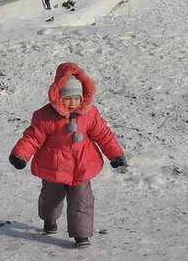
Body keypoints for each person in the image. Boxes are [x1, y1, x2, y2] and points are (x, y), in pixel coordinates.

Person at [9, 62, 126, 248]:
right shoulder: (45, 116)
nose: (72, 103)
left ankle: (82, 235)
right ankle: (49, 219)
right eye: (67, 98)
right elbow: (33, 137)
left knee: (83, 200)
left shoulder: (90, 114)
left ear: (83, 97)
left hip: (81, 167)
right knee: (51, 200)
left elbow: (104, 135)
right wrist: (20, 155)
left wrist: (116, 155)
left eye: (76, 98)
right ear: (58, 96)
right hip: (54, 168)